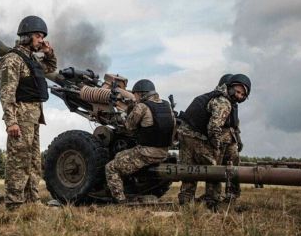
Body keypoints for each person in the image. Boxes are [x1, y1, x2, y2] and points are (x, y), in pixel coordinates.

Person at [0, 15, 57, 210]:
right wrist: (11, 122)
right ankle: (14, 204)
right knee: (18, 161)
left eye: (42, 37)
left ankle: (33, 201)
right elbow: (7, 92)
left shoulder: (31, 60)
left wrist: (48, 53)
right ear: (27, 36)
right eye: (38, 36)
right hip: (21, 116)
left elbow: (50, 68)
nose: (42, 40)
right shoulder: (12, 59)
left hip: (33, 116)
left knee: (32, 162)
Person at [177, 74, 251, 211]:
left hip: (184, 134)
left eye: (242, 94)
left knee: (188, 168)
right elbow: (214, 127)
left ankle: (186, 202)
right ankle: (213, 201)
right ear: (229, 87)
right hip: (195, 136)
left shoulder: (214, 96)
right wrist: (215, 146)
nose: (239, 96)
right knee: (213, 169)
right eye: (238, 91)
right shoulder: (224, 102)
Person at [105, 79, 175, 204]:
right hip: (164, 152)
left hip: (147, 153)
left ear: (142, 94)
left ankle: (121, 201)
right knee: (119, 156)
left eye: (135, 95)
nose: (135, 97)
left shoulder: (142, 106)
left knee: (111, 167)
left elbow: (128, 127)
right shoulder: (166, 105)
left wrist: (128, 111)